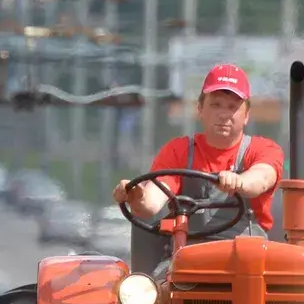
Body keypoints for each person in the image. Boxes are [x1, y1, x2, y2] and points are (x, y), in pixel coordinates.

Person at [111, 64, 284, 262]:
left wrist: (240, 182)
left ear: (246, 115)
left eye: (232, 107)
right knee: (156, 279)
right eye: (216, 105)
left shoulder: (263, 149)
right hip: (187, 257)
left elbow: (261, 178)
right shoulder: (179, 151)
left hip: (247, 261)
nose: (223, 114)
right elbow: (152, 202)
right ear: (200, 108)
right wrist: (137, 197)